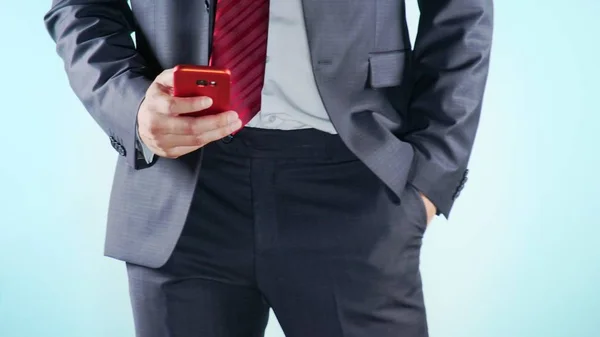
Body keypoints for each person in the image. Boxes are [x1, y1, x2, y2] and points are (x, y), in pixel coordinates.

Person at [44, 0, 493, 336]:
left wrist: (430, 177)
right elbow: (79, 7)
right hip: (179, 192)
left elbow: (461, 11)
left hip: (356, 181)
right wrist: (133, 108)